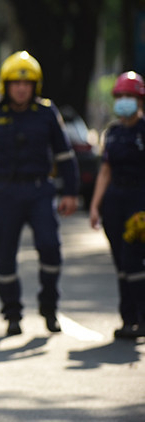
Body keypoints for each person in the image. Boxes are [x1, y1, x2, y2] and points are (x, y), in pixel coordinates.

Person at [0, 51, 79, 337]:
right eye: (15, 83)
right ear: (6, 85)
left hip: (40, 191)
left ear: (35, 86)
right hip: (5, 192)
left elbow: (65, 155)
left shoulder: (47, 113)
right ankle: (12, 314)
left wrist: (71, 192)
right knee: (4, 256)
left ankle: (49, 307)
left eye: (26, 83)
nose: (21, 88)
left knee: (50, 247)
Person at [89, 71, 145, 339]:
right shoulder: (112, 133)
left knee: (133, 260)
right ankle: (128, 318)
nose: (124, 101)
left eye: (129, 96)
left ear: (140, 100)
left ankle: (142, 317)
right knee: (121, 262)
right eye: (120, 96)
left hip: (139, 200)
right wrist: (95, 206)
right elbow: (105, 171)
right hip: (114, 201)